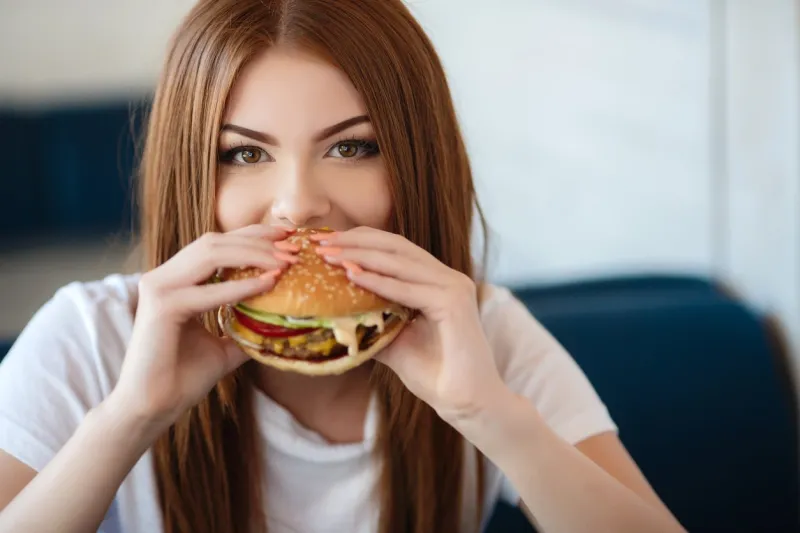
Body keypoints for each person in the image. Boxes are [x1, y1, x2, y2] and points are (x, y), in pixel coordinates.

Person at [0, 1, 686, 532]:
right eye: (243, 154)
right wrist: (131, 416)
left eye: (352, 147)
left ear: (416, 162)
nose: (299, 203)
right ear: (191, 174)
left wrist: (490, 415)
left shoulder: (483, 335)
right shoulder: (92, 337)